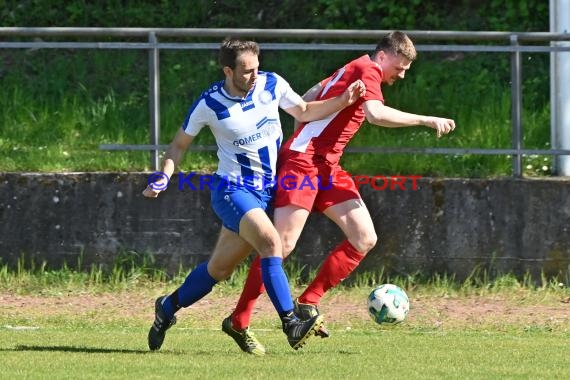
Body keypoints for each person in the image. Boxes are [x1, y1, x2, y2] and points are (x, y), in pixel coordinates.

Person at [224, 31, 456, 354]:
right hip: (304, 164)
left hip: (327, 168)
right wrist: (425, 120)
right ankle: (239, 319)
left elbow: (310, 93)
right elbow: (374, 114)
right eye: (400, 67)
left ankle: (308, 301)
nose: (401, 75)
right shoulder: (369, 70)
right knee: (280, 244)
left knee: (365, 237)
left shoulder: (354, 66)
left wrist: (303, 134)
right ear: (385, 56)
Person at [143, 38, 366, 354]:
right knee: (271, 243)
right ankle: (291, 321)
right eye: (246, 71)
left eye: (256, 69)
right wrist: (164, 175)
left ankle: (167, 307)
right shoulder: (210, 103)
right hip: (233, 191)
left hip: (266, 191)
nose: (253, 76)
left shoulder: (271, 84)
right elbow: (179, 144)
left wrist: (343, 100)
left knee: (218, 271)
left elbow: (303, 110)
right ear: (227, 70)